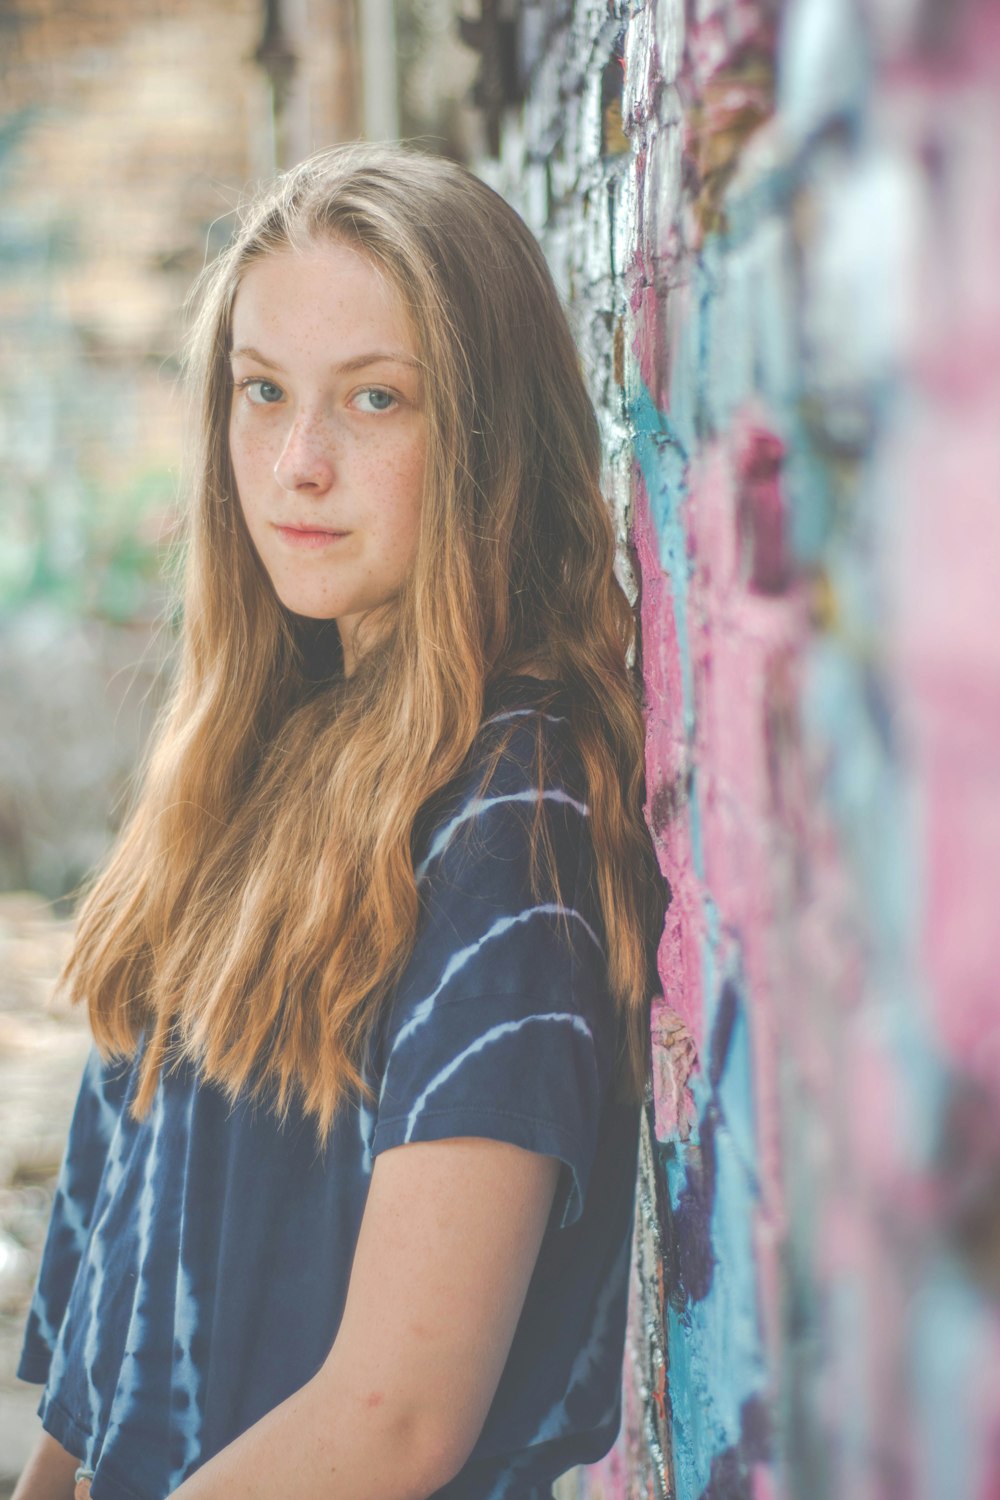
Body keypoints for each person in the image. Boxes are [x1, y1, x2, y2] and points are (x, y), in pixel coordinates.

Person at [12, 142, 667, 1500]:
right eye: (264, 393)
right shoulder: (247, 763)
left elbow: (396, 1420)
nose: (298, 465)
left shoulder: (507, 824)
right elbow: (100, 1340)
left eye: (376, 400)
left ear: (487, 440)